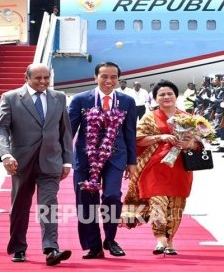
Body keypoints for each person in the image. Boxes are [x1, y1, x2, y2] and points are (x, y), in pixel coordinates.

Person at [0, 63, 73, 266]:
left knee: (49, 204)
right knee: (20, 206)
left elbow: (65, 131)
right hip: (21, 162)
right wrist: (5, 155)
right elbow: (1, 130)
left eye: (46, 78)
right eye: (38, 78)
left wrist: (67, 161)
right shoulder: (11, 98)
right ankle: (18, 248)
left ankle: (51, 248)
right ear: (26, 77)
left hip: (51, 161)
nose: (43, 82)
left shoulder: (58, 97)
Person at [122, 80, 200, 255]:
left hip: (180, 169)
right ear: (155, 98)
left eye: (169, 93)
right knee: (158, 203)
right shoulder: (149, 117)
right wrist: (161, 137)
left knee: (176, 206)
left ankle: (170, 241)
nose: (166, 97)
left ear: (176, 96)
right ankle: (160, 240)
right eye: (162, 95)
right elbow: (137, 138)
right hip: (155, 168)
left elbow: (199, 143)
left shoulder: (187, 118)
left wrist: (188, 143)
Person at [68, 61, 137, 259]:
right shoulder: (80, 100)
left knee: (112, 196)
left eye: (113, 77)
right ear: (95, 77)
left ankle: (110, 238)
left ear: (118, 79)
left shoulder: (127, 101)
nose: (109, 80)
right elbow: (69, 132)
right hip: (85, 158)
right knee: (86, 203)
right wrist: (64, 159)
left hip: (116, 158)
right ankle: (94, 246)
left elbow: (130, 133)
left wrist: (132, 162)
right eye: (104, 76)